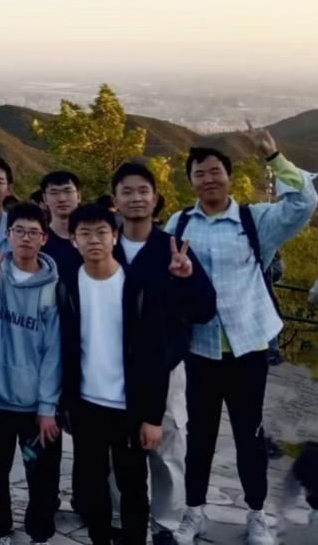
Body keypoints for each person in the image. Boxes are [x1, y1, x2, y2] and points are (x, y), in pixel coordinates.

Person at [168, 128, 318, 545]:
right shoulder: (179, 223)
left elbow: (305, 202)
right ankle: (194, 512)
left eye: (215, 171)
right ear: (191, 181)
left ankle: (256, 515)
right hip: (200, 349)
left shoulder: (256, 221)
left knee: (249, 437)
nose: (208, 179)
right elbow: (166, 281)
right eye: (200, 173)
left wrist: (274, 157)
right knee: (199, 438)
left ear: (229, 177)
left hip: (248, 348)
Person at [110, 163, 217, 545]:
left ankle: (166, 525)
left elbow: (204, 310)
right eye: (127, 191)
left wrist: (186, 278)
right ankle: (122, 519)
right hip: (114, 368)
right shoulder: (106, 248)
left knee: (167, 449)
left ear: (156, 199)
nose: (136, 198)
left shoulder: (173, 249)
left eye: (143, 190)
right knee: (117, 449)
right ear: (115, 200)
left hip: (166, 367)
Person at [57, 203, 172, 545]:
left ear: (115, 236)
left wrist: (153, 416)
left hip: (129, 408)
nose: (94, 240)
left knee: (133, 484)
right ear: (74, 240)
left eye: (101, 232)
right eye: (85, 233)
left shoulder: (137, 285)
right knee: (92, 485)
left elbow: (156, 354)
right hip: (86, 405)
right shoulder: (67, 283)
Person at [0, 202, 62, 545]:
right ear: (8, 235)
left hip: (35, 408)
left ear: (44, 238)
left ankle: (39, 534)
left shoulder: (53, 287)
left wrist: (47, 407)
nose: (26, 238)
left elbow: (53, 352)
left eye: (33, 232)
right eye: (19, 231)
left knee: (42, 474)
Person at [40, 170, 81, 275]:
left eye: (68, 191)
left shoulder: (94, 238)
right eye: (54, 193)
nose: (62, 199)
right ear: (45, 199)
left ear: (79, 196)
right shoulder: (39, 240)